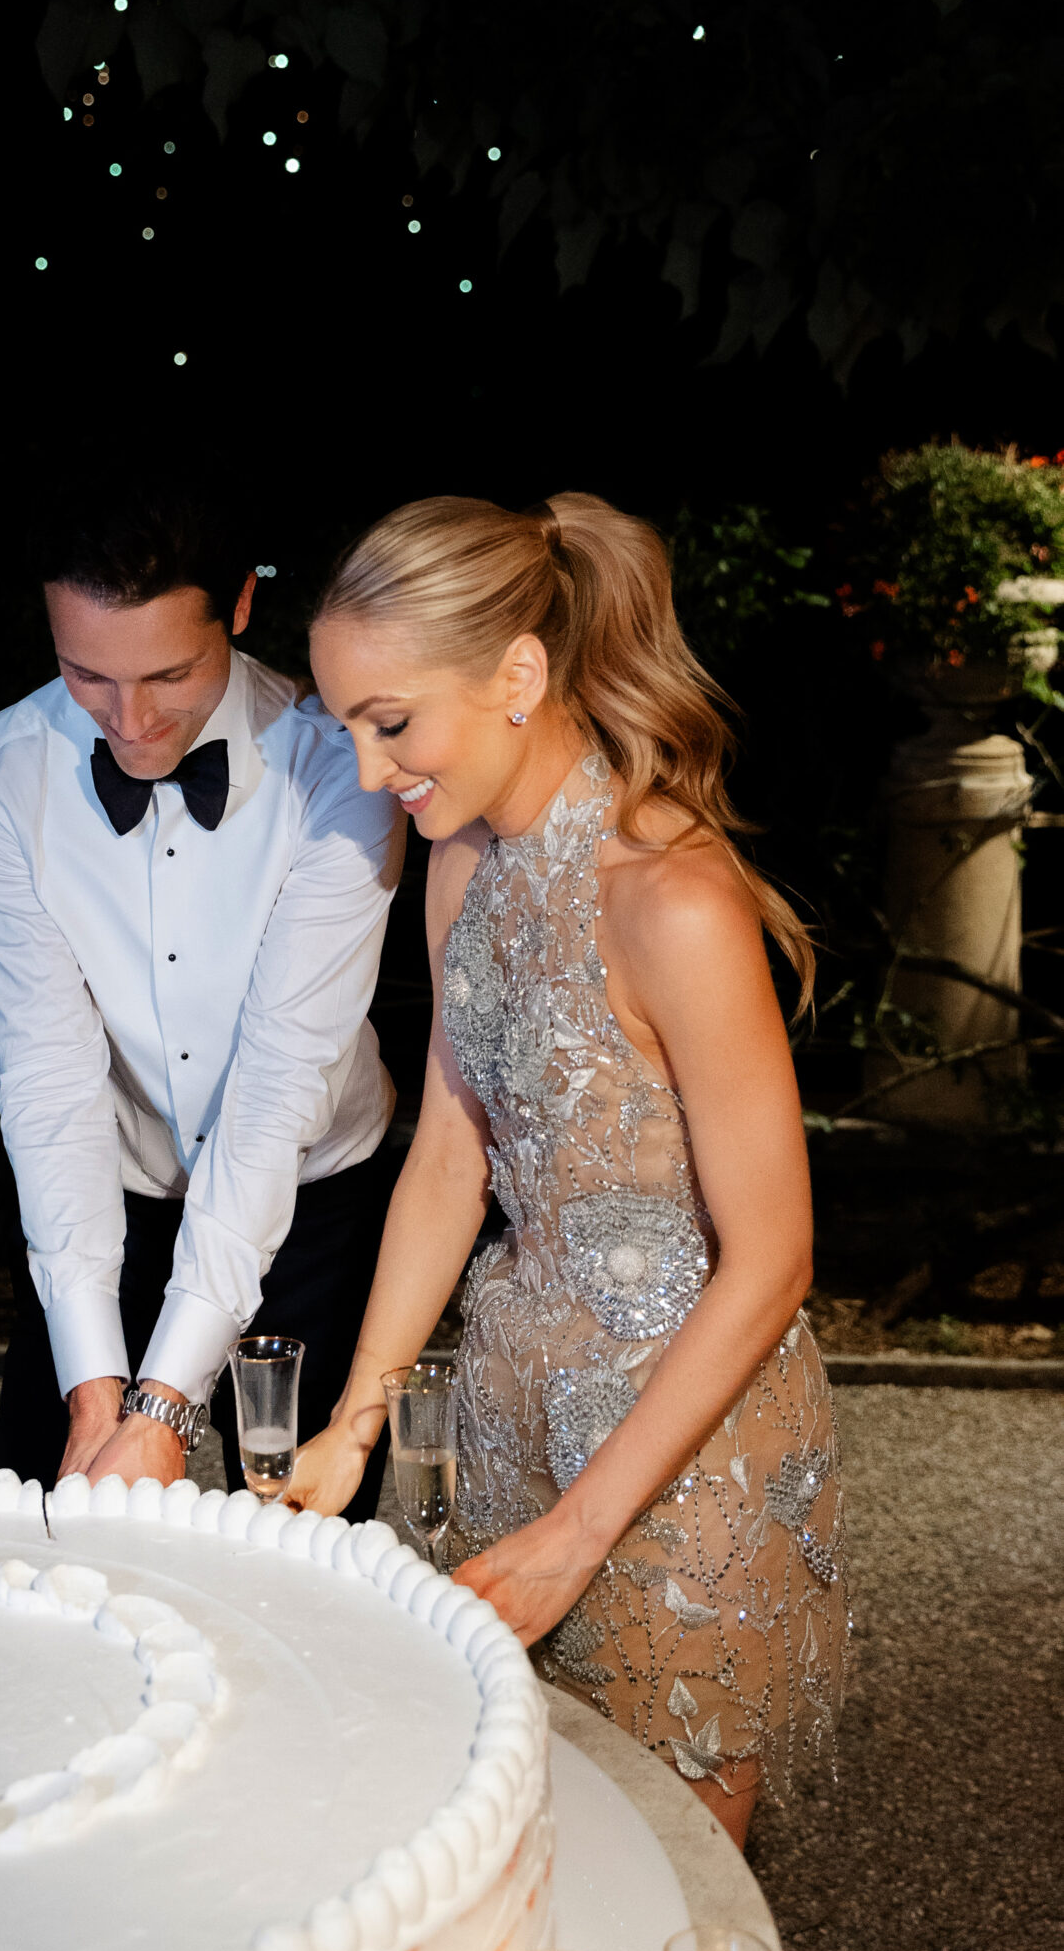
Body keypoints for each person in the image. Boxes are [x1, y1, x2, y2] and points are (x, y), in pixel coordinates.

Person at [290, 491, 848, 1849]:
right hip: (505, 1421)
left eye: (389, 723)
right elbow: (446, 1157)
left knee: (669, 1879)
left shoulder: (675, 900)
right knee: (524, 1847)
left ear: (518, 674)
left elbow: (773, 1257)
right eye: (345, 727)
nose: (366, 771)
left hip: (684, 1457)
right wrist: (356, 1421)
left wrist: (581, 1533)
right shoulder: (459, 866)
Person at [0, 483, 406, 1513]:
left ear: (239, 605)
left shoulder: (343, 771)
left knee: (298, 1553)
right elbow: (47, 1074)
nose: (132, 720)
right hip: (106, 1198)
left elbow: (279, 1085)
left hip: (313, 1198)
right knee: (46, 1525)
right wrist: (98, 1388)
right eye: (87, 675)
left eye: (169, 674)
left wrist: (164, 1410)